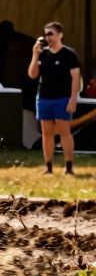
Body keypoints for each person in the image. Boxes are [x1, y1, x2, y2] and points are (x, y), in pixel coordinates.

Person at [28, 21, 82, 175]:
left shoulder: (69, 55)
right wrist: (35, 54)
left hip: (63, 98)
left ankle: (69, 166)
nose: (47, 37)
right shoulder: (43, 54)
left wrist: (73, 99)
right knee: (46, 133)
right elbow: (32, 74)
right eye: (46, 34)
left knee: (65, 131)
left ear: (60, 35)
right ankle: (49, 167)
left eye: (50, 33)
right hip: (44, 98)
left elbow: (76, 79)